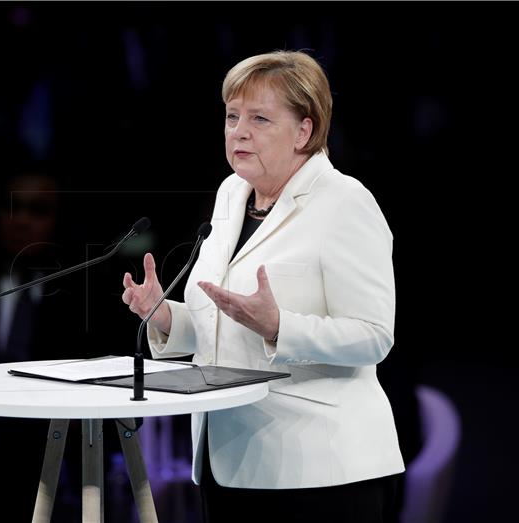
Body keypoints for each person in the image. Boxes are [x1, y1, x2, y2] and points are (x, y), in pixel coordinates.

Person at [121, 50, 403, 523]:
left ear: (304, 131)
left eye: (260, 119)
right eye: (232, 116)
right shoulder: (232, 193)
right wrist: (166, 316)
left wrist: (280, 327)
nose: (239, 131)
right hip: (227, 460)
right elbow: (227, 322)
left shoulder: (345, 203)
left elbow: (374, 335)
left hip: (318, 471)